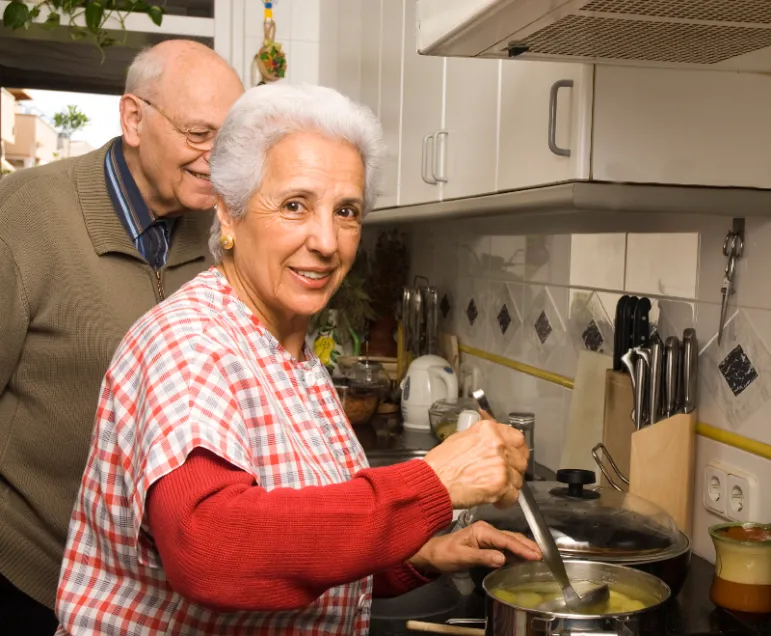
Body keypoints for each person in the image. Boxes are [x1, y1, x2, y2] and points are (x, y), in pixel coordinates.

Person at [55, 83, 539, 636]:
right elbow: (209, 549)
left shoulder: (291, 353)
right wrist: (433, 483)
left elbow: (295, 549)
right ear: (229, 215)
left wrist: (422, 554)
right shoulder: (192, 343)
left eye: (347, 211)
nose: (327, 241)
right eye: (294, 206)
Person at [0, 40, 244, 634]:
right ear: (134, 118)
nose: (217, 159)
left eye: (230, 141)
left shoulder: (222, 237)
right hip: (28, 581)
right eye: (198, 134)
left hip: (147, 602)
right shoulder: (22, 217)